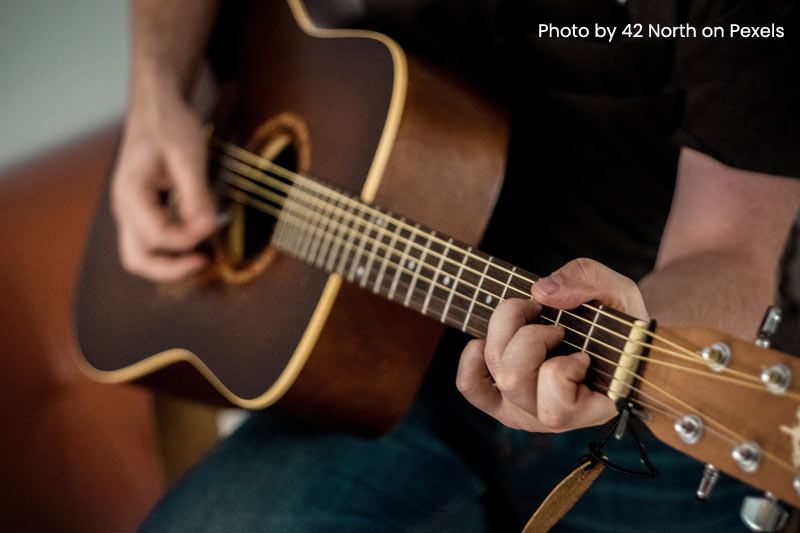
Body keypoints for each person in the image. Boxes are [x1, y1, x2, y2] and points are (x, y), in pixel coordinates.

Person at [111, 0, 800, 530]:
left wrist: (636, 332)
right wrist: (155, 91)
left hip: (639, 407)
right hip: (372, 359)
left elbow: (736, 247)